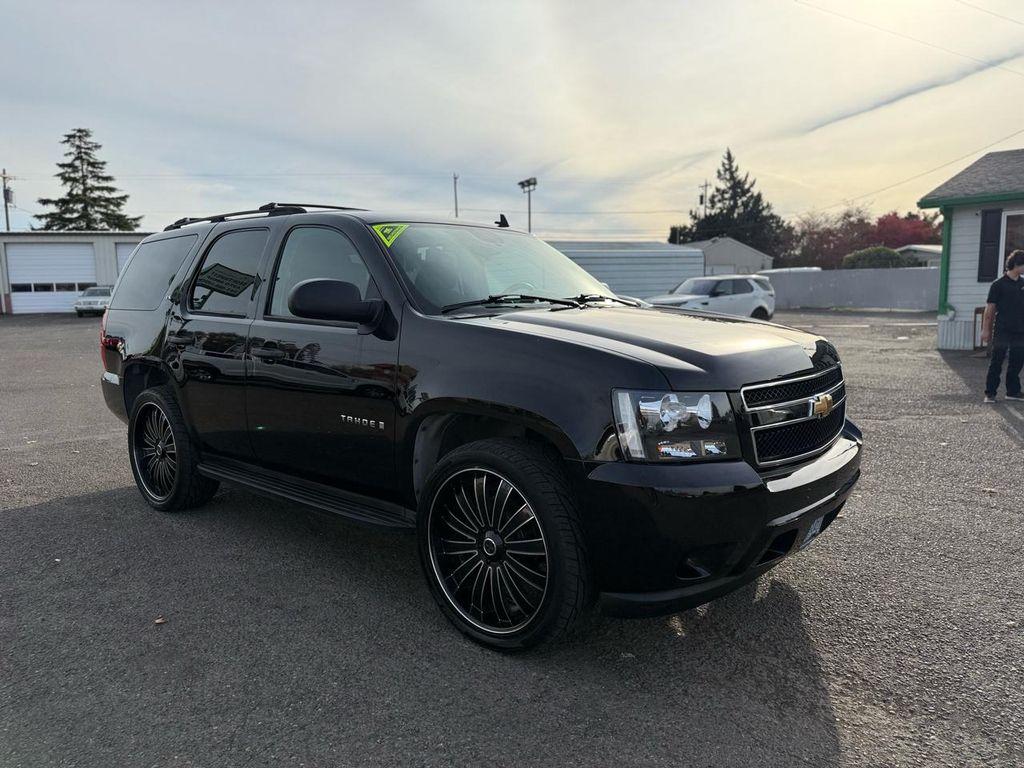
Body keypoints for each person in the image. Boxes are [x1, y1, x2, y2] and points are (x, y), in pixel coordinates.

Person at [981, 249, 1024, 402]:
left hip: (1020, 330)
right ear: (1017, 264)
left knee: (1017, 361)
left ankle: (1012, 391)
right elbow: (990, 309)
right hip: (1002, 329)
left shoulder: (1023, 283)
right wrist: (986, 330)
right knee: (997, 361)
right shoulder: (998, 285)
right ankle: (990, 393)